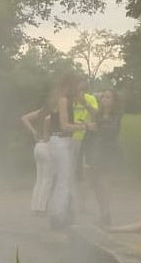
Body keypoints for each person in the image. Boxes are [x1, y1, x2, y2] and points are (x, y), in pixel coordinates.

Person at [46, 71, 96, 230]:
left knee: (63, 179)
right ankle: (59, 217)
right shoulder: (63, 100)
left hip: (59, 141)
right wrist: (85, 126)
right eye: (78, 86)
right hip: (61, 140)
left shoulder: (60, 98)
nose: (80, 90)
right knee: (64, 180)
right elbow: (65, 126)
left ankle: (59, 214)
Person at [85, 89, 122, 227]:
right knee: (96, 185)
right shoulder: (98, 114)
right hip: (96, 152)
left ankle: (106, 214)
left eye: (107, 97)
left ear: (113, 101)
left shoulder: (116, 115)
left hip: (109, 153)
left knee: (104, 183)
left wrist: (97, 128)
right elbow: (91, 131)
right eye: (103, 97)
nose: (104, 99)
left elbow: (112, 130)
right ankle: (103, 213)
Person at [72, 80, 98, 215]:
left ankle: (82, 205)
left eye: (82, 89)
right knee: (70, 172)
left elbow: (96, 115)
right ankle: (69, 202)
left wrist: (85, 103)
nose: (79, 92)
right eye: (77, 89)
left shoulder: (91, 99)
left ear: (85, 90)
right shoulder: (69, 100)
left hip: (85, 140)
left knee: (83, 173)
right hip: (70, 139)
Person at [20, 105, 53, 214]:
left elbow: (24, 118)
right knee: (47, 179)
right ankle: (42, 207)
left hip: (38, 145)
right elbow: (48, 122)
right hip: (47, 145)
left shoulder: (42, 111)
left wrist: (33, 131)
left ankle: (35, 206)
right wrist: (47, 135)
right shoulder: (52, 114)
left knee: (39, 179)